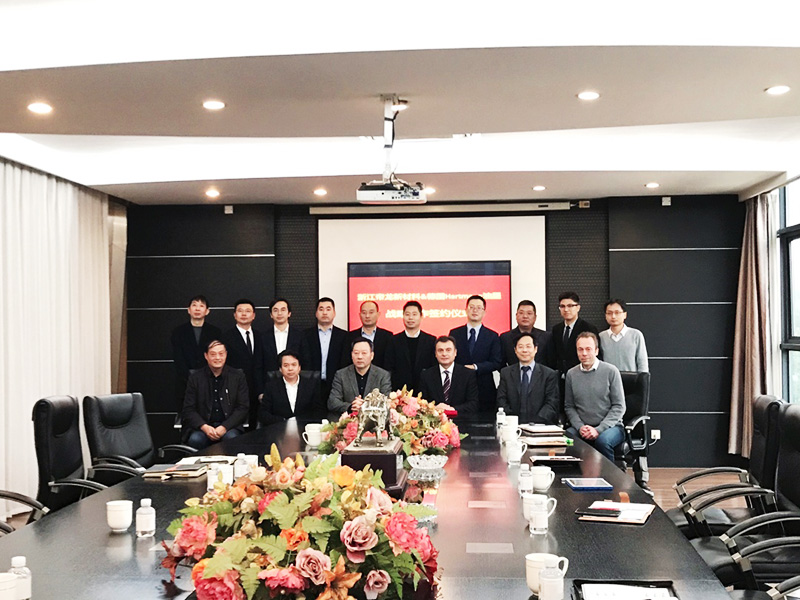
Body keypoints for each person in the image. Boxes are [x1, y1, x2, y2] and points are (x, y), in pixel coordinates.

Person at [564, 332, 625, 462]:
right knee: (566, 439)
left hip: (611, 427)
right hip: (582, 427)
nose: (584, 353)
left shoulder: (611, 371)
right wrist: (580, 427)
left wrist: (599, 429)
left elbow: (619, 406)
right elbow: (569, 406)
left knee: (603, 441)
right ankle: (575, 473)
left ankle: (611, 474)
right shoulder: (571, 374)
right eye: (580, 349)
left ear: (596, 351)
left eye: (588, 349)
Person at [182, 340, 249, 449]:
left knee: (231, 438)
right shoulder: (195, 378)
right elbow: (188, 409)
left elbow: (243, 408)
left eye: (221, 354)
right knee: (196, 440)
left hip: (229, 427)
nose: (217, 358)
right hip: (203, 427)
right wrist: (204, 427)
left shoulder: (237, 377)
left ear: (226, 354)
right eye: (213, 354)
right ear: (206, 356)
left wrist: (224, 427)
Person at [449, 295, 503, 415]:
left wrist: (476, 367)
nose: (475, 310)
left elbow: (496, 362)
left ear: (484, 312)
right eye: (472, 307)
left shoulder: (492, 336)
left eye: (479, 308)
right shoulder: (455, 333)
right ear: (466, 310)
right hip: (460, 387)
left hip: (484, 388)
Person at [170, 295, 221, 415]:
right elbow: (178, 359)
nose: (197, 309)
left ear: (207, 311)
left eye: (201, 306)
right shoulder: (178, 332)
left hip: (210, 381)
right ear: (189, 310)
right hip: (185, 382)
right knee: (187, 417)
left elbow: (216, 357)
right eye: (194, 305)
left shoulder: (215, 332)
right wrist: (190, 378)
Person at [497, 332, 560, 425]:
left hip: (540, 426)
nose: (524, 350)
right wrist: (512, 420)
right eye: (520, 347)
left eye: (528, 346)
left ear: (535, 349)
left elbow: (552, 403)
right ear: (515, 350)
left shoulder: (549, 374)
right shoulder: (506, 373)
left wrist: (536, 423)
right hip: (512, 425)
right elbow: (501, 400)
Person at [221, 298, 265, 427]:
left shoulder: (260, 336)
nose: (244, 314)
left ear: (254, 315)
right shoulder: (226, 337)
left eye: (248, 311)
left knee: (256, 426)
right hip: (235, 389)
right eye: (240, 311)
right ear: (235, 315)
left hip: (257, 389)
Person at [300, 297, 350, 402]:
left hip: (336, 385)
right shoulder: (305, 335)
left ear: (334, 313)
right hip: (310, 384)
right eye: (321, 309)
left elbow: (345, 362)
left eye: (328, 309)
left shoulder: (344, 336)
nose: (325, 312)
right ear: (316, 313)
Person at [258, 350, 323, 426]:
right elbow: (263, 413)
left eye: (294, 365)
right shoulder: (271, 387)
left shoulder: (311, 385)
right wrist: (283, 421)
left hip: (305, 428)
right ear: (280, 369)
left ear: (299, 367)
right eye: (286, 365)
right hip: (279, 428)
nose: (290, 368)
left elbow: (319, 411)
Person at [327, 338, 392, 414]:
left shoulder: (383, 375)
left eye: (364, 353)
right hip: (347, 418)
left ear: (372, 355)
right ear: (351, 355)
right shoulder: (341, 374)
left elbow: (386, 402)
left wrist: (364, 406)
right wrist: (351, 406)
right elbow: (332, 402)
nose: (360, 357)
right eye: (356, 353)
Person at [419, 336, 479, 416]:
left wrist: (452, 409)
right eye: (440, 350)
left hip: (462, 420)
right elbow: (422, 402)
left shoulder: (468, 374)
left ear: (455, 352)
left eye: (448, 350)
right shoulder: (426, 375)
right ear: (435, 354)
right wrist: (434, 409)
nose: (444, 354)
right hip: (435, 420)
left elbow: (473, 404)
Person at [385, 301, 437, 392]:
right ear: (403, 316)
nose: (410, 318)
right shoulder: (393, 340)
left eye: (414, 314)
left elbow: (434, 368)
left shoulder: (430, 340)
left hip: (424, 390)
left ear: (421, 316)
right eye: (407, 314)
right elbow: (388, 367)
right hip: (399, 392)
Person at [551, 291, 600, 378]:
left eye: (570, 306)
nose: (566, 309)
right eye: (562, 306)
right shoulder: (556, 329)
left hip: (581, 376)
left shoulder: (588, 328)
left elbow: (597, 355)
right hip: (560, 378)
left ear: (578, 308)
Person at [599, 299, 649, 373]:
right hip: (608, 379)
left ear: (625, 314)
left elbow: (642, 363)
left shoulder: (636, 335)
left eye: (617, 313)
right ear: (605, 316)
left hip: (631, 379)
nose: (613, 316)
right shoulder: (601, 337)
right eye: (609, 313)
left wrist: (643, 378)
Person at [499, 300, 553, 368]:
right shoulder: (505, 338)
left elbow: (551, 362)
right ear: (516, 316)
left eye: (529, 313)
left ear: (535, 317)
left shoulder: (546, 337)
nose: (525, 316)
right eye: (521, 313)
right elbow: (501, 363)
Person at [262, 298, 303, 373]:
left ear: (289, 313)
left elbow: (305, 361)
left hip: (293, 378)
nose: (279, 313)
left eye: (283, 310)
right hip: (269, 378)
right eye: (275, 310)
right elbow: (259, 364)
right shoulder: (263, 337)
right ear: (271, 315)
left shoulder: (300, 335)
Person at [348, 300, 392, 368]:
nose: (367, 316)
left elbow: (389, 361)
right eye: (364, 312)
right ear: (359, 315)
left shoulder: (388, 336)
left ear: (378, 314)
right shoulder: (350, 336)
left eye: (371, 312)